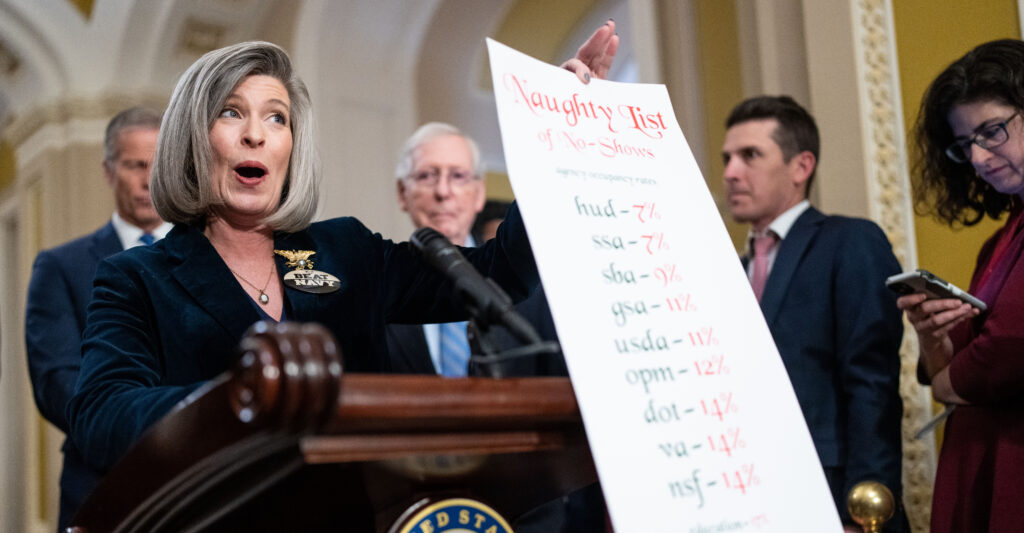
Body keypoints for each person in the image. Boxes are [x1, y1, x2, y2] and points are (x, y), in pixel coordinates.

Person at [67, 24, 617, 481]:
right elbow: (100, 415)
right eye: (231, 112)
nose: (257, 134)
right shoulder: (137, 277)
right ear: (192, 138)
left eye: (276, 117)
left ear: (291, 147)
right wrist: (240, 400)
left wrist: (553, 141)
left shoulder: (346, 249)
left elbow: (499, 274)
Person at [720, 96, 908, 532]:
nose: (730, 172)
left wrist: (865, 507)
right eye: (727, 158)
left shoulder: (850, 241)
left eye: (750, 155)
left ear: (801, 166)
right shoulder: (729, 270)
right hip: (749, 497)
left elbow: (872, 384)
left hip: (836, 496)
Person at [899, 38, 1024, 533]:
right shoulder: (999, 241)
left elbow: (1008, 350)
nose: (976, 157)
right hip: (985, 464)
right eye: (963, 143)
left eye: (991, 131)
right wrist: (933, 335)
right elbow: (946, 373)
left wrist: (951, 381)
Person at [24, 106, 169, 531]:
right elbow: (57, 383)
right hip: (100, 485)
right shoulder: (60, 266)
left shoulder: (208, 256)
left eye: (158, 165)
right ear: (109, 171)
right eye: (134, 165)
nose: (147, 180)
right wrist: (160, 427)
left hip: (197, 480)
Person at [386, 122, 561, 377]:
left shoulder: (531, 283)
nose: (443, 192)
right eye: (426, 176)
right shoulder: (379, 287)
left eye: (458, 176)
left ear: (479, 193)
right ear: (403, 193)